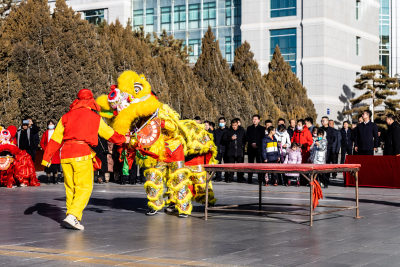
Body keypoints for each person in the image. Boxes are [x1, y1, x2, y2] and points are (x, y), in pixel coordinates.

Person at [42, 89, 128, 230]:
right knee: (85, 187)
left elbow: (56, 139)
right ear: (91, 101)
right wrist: (125, 139)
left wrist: (47, 157)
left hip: (66, 155)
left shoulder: (66, 116)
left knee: (71, 188)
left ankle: (72, 217)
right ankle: (73, 215)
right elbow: (109, 134)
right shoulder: (94, 117)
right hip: (81, 153)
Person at [246, 115, 266, 184]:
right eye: (253, 119)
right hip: (251, 148)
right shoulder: (249, 128)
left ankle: (260, 179)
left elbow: (262, 138)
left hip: (259, 149)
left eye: (256, 119)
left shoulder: (262, 128)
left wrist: (257, 144)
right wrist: (251, 143)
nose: (254, 120)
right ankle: (249, 178)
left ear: (259, 120)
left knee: (259, 164)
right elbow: (247, 137)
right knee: (250, 164)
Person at [40, 120, 61, 184]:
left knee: (55, 166)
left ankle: (55, 179)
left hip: (55, 152)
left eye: (52, 124)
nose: (50, 125)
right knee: (48, 167)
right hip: (48, 152)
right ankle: (48, 179)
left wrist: (58, 148)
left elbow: (61, 141)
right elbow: (42, 142)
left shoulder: (57, 133)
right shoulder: (45, 133)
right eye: (49, 124)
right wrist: (45, 149)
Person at [320, 116, 338, 181]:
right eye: (321, 121)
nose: (322, 122)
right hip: (320, 150)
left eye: (323, 120)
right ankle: (321, 179)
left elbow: (334, 140)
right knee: (321, 165)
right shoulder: (320, 129)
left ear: (327, 121)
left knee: (327, 165)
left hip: (329, 150)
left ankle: (326, 180)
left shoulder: (331, 130)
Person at [214, 117, 228, 182]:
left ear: (225, 122)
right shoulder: (216, 131)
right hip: (218, 148)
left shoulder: (228, 130)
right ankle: (218, 177)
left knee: (226, 164)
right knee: (218, 163)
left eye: (222, 122)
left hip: (226, 149)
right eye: (220, 122)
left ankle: (227, 177)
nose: (221, 123)